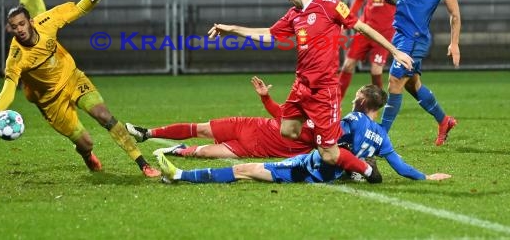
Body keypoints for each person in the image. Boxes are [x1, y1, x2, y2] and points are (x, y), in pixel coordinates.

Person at [208, 0, 414, 184]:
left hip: (323, 90)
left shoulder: (331, 6)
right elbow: (269, 34)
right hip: (301, 87)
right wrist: (232, 29)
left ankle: (364, 167)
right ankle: (330, 139)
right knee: (287, 130)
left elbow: (362, 28)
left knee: (329, 154)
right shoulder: (294, 14)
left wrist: (394, 50)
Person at [0, 0, 160, 177]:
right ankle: (87, 155)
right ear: (11, 29)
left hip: (73, 78)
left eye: (22, 24)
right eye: (14, 27)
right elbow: (9, 87)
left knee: (103, 115)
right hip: (51, 102)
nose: (20, 29)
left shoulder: (47, 21)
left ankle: (143, 164)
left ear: (30, 22)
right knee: (85, 143)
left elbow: (77, 9)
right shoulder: (16, 57)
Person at [156, 84, 452, 184]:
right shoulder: (382, 136)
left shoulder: (353, 119)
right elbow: (400, 167)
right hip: (327, 171)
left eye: (356, 97)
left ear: (363, 102)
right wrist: (425, 177)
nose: (352, 100)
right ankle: (180, 171)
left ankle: (180, 175)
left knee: (244, 170)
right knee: (247, 169)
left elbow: (324, 138)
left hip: (310, 166)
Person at [379, 0, 461, 146]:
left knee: (395, 82)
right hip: (400, 36)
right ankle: (444, 121)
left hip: (415, 38)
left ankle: (379, 136)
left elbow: (455, 14)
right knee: (413, 85)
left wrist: (454, 43)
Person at [126, 76, 316, 159]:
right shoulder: (296, 109)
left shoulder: (319, 132)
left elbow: (329, 149)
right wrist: (265, 96)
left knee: (204, 153)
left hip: (249, 149)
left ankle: (179, 150)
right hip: (247, 127)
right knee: (200, 129)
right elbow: (276, 111)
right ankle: (147, 133)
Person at [338, 0, 403, 100]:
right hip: (365, 29)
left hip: (385, 31)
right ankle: (335, 101)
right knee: (347, 65)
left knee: (376, 70)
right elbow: (358, 0)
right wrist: (345, 21)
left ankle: (377, 103)